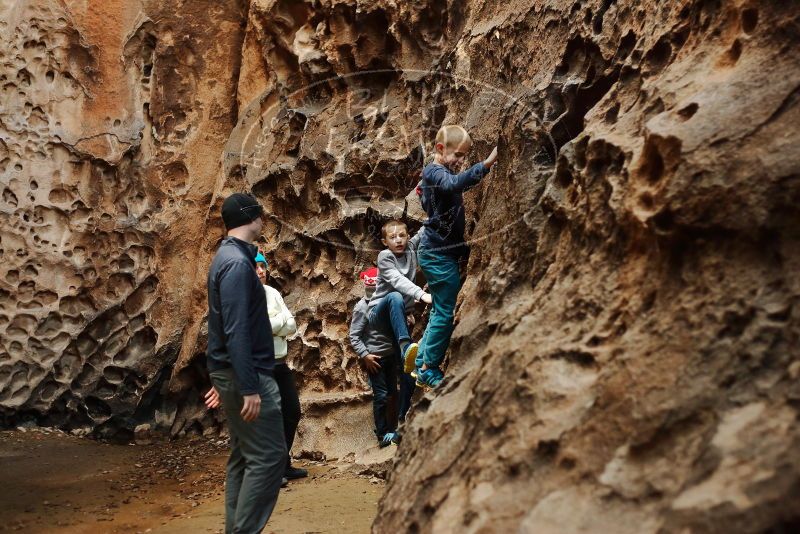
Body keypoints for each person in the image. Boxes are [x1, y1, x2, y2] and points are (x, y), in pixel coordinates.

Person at [206, 192, 286, 533]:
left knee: (243, 456)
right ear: (251, 217)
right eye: (261, 214)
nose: (264, 220)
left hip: (233, 372)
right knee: (269, 457)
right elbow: (236, 330)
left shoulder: (228, 256)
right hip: (247, 376)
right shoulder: (237, 265)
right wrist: (250, 386)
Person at [407, 125, 498, 388]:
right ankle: (428, 368)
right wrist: (486, 164)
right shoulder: (436, 172)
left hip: (437, 251)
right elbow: (455, 184)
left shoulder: (432, 174)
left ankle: (420, 357)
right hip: (437, 255)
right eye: (458, 155)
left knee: (439, 308)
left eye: (464, 157)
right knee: (445, 313)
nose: (461, 161)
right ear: (439, 149)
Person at [206, 252, 307, 482]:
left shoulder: (273, 293)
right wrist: (277, 323)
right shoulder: (242, 297)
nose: (261, 271)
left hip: (280, 362)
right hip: (259, 366)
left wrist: (271, 324)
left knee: (291, 412)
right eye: (255, 267)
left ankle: (282, 463)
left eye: (262, 266)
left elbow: (291, 325)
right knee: (266, 419)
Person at [349, 267, 401, 447]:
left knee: (393, 392)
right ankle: (382, 433)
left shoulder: (387, 303)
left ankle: (393, 428)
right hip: (375, 360)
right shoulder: (362, 307)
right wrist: (365, 356)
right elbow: (354, 335)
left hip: (391, 355)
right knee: (381, 395)